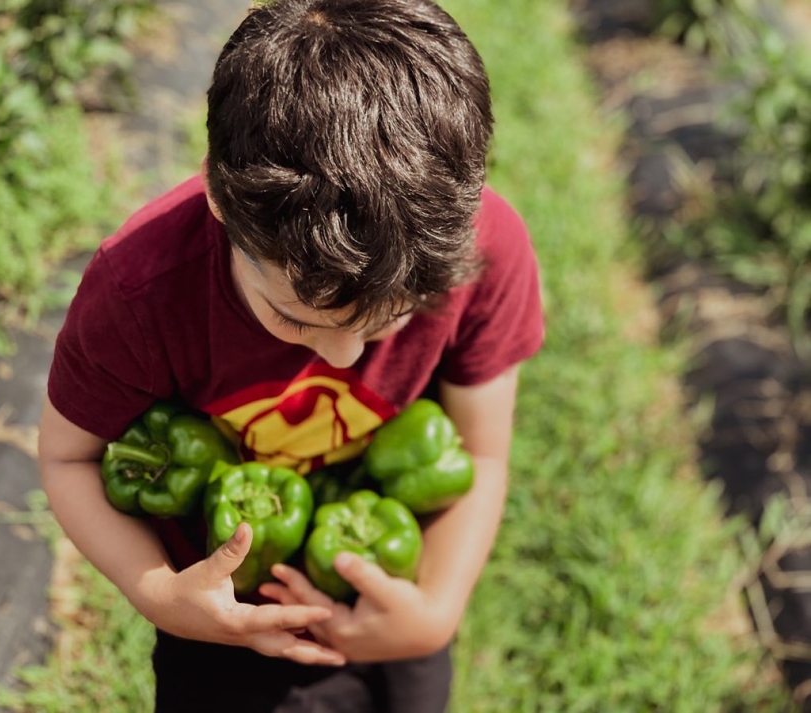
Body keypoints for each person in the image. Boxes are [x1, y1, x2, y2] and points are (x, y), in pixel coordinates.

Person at [38, 0, 544, 710]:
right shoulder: (140, 289)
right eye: (292, 315)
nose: (341, 358)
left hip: (388, 589)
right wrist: (159, 594)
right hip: (223, 615)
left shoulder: (483, 249)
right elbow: (68, 457)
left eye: (387, 320)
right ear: (219, 191)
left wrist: (435, 609)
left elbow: (483, 454)